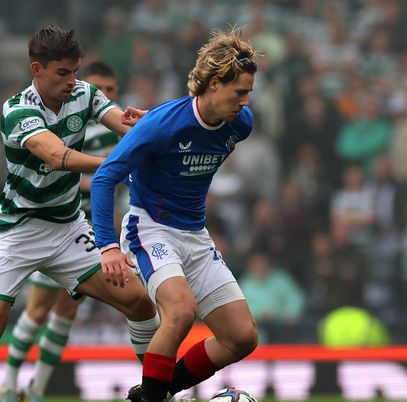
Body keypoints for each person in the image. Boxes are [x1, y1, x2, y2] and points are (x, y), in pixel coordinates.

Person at [0, 25, 159, 402]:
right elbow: (55, 155)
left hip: (66, 229)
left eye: (75, 72)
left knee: (139, 303)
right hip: (17, 230)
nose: (72, 81)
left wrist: (157, 127)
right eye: (62, 73)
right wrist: (108, 166)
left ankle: (158, 395)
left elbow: (124, 125)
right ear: (36, 69)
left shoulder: (85, 94)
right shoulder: (17, 109)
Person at [91, 27, 260, 402]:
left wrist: (156, 118)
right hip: (150, 229)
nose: (245, 103)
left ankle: (156, 393)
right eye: (240, 93)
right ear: (214, 83)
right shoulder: (161, 126)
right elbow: (105, 178)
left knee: (242, 336)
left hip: (195, 235)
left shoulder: (240, 125)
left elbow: (192, 126)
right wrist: (107, 246)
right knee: (181, 311)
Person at [0, 61, 131, 402]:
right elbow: (62, 165)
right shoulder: (67, 128)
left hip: (87, 231)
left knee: (69, 309)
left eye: (112, 90)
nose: (106, 96)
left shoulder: (112, 133)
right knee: (39, 308)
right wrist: (106, 173)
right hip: (56, 223)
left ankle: (37, 389)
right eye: (99, 88)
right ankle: (8, 385)